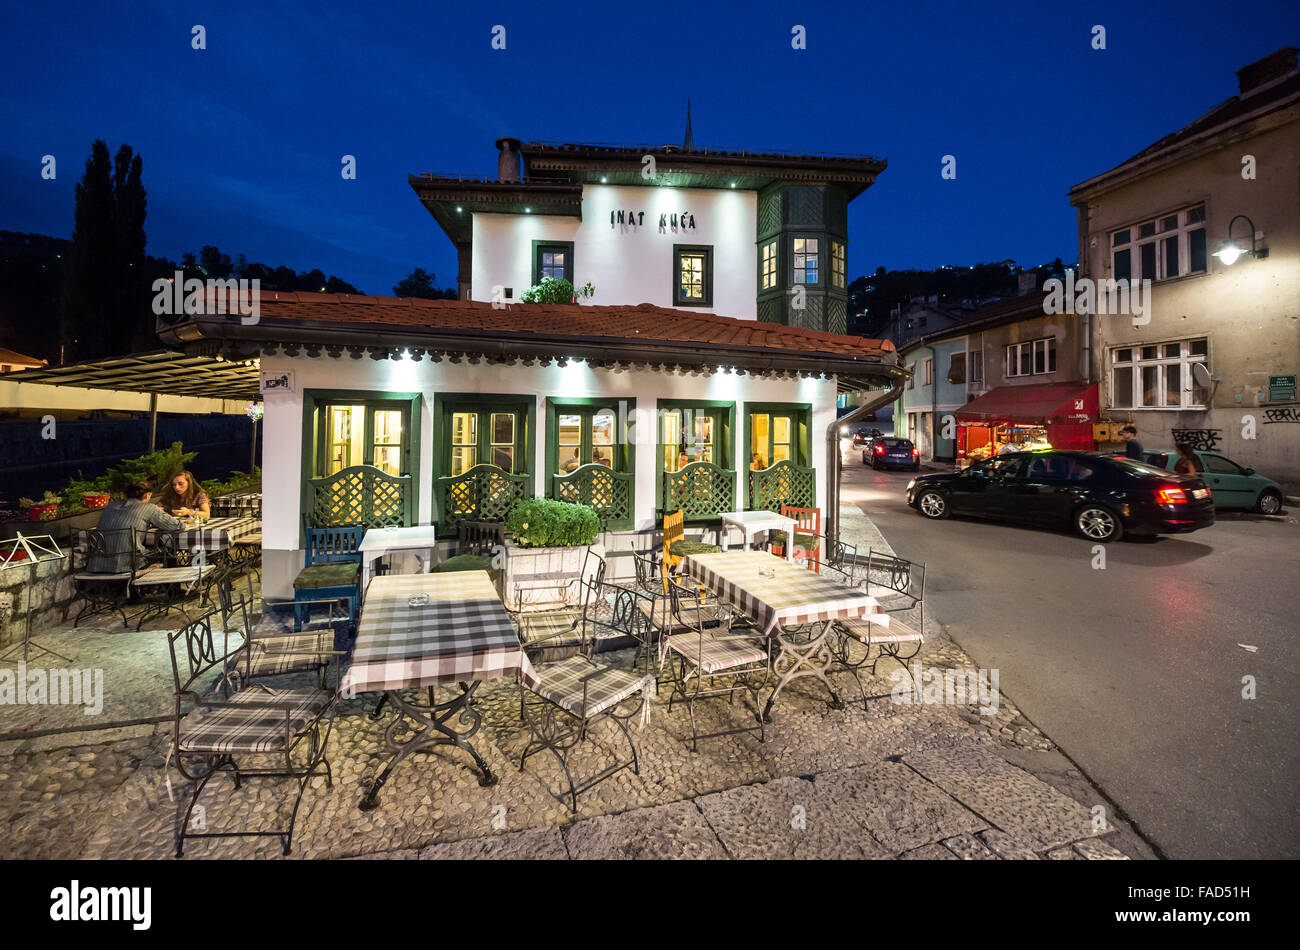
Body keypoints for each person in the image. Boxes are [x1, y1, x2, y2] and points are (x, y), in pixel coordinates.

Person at [92, 480, 185, 573]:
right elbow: (177, 526)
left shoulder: (110, 506)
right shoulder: (148, 507)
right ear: (147, 495)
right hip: (129, 564)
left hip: (98, 565)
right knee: (167, 549)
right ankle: (169, 586)